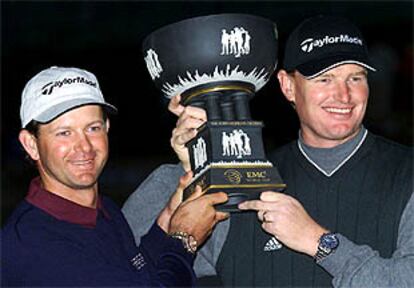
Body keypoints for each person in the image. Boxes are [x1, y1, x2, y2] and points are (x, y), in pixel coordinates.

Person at [122, 15, 413, 287]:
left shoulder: (407, 174)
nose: (344, 95)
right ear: (288, 86)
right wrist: (196, 168)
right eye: (324, 79)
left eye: (356, 77)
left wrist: (317, 241)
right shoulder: (246, 182)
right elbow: (126, 265)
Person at [1, 66, 229, 287]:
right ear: (31, 144)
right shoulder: (31, 245)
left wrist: (172, 210)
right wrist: (184, 239)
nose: (84, 147)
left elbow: (138, 272)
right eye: (64, 133)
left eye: (93, 128)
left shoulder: (103, 209)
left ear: (107, 127)